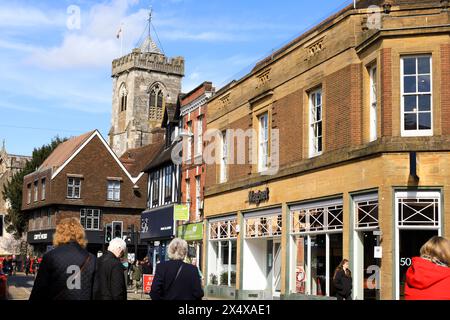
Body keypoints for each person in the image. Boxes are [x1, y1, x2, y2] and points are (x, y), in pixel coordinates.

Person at [29, 218, 96, 300]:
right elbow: (96, 290)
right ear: (81, 233)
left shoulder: (50, 256)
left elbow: (39, 290)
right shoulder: (91, 258)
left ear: (59, 234)